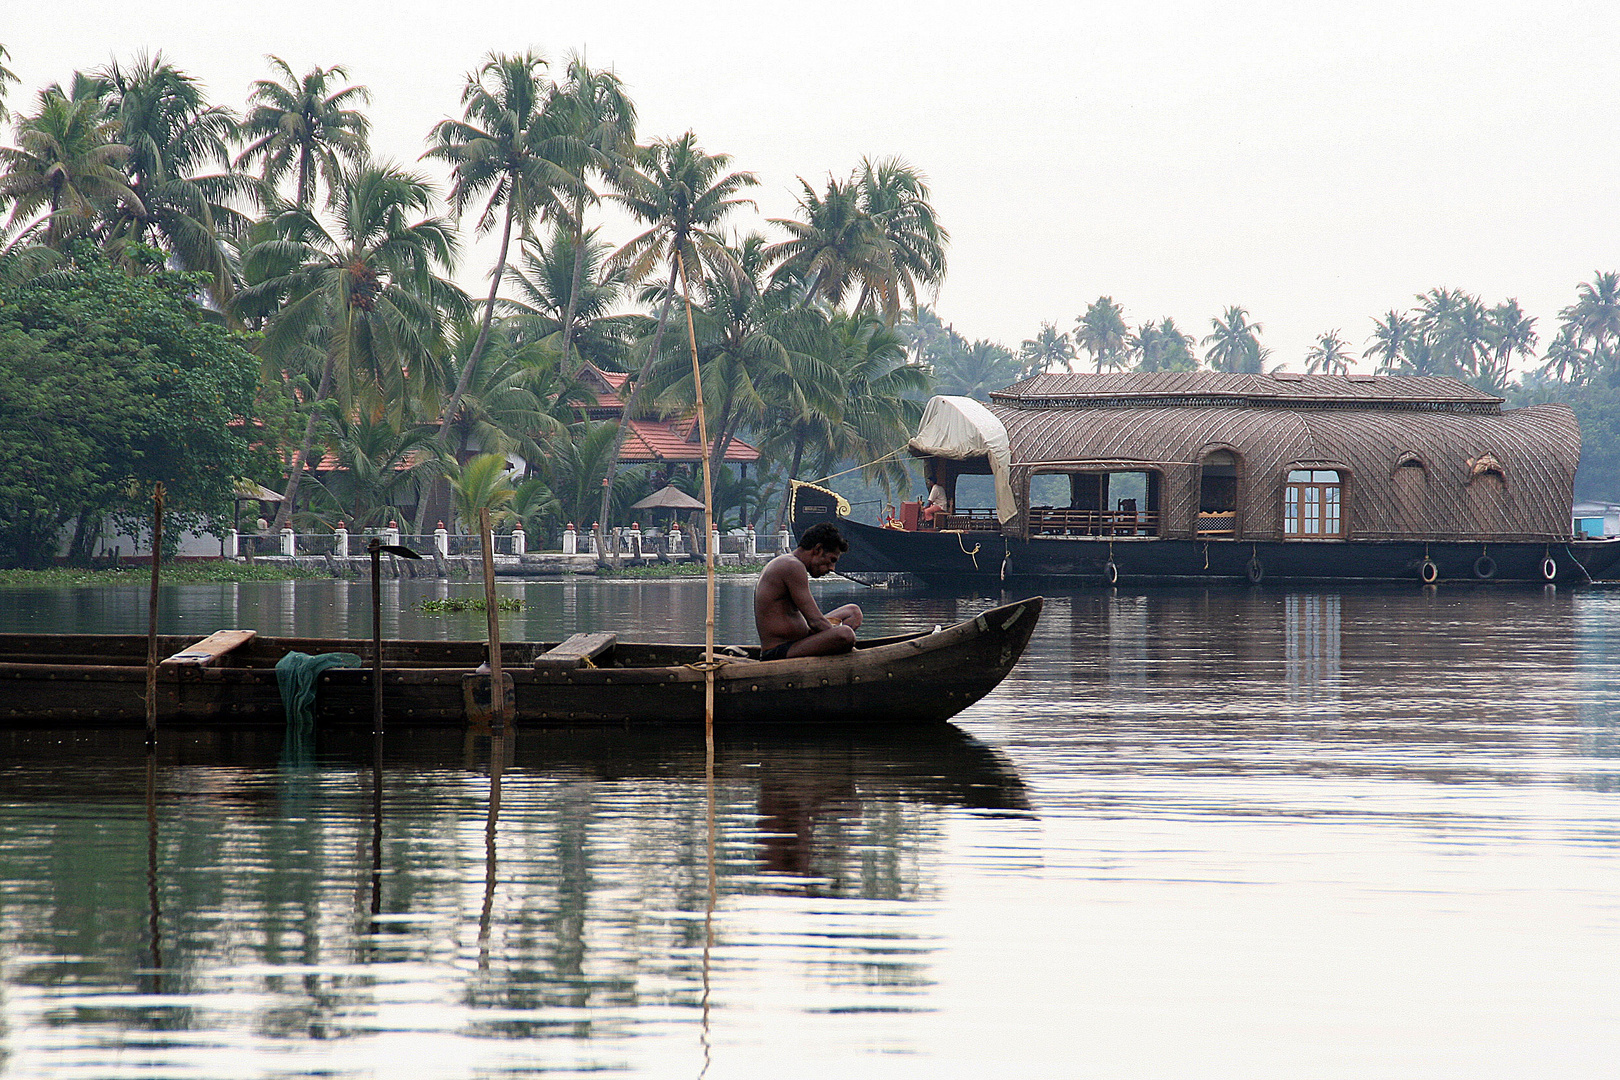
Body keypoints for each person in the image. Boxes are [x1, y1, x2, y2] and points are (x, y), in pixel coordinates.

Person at [754, 522, 864, 661]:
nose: (832, 568)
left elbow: (815, 622)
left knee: (853, 611)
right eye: (831, 560)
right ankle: (840, 652)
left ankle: (834, 649)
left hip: (800, 639)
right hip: (779, 651)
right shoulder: (792, 565)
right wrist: (842, 641)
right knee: (845, 635)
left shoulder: (790, 563)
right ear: (817, 549)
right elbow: (815, 622)